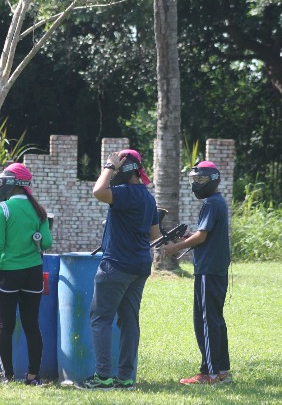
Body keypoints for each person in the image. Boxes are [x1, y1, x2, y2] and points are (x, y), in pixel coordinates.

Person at [80, 150, 160, 390]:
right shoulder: (148, 197)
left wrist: (108, 165)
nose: (114, 170)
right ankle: (125, 377)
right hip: (140, 267)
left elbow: (98, 192)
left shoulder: (126, 193)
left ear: (126, 169)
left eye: (118, 166)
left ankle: (103, 376)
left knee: (101, 318)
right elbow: (155, 236)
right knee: (129, 321)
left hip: (116, 266)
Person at [162, 161, 232, 385]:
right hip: (216, 269)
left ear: (213, 181)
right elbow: (204, 235)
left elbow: (201, 237)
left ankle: (210, 374)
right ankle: (221, 371)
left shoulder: (211, 203)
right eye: (194, 180)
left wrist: (174, 248)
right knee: (215, 320)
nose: (196, 185)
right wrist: (189, 237)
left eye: (200, 180)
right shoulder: (217, 202)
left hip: (209, 270)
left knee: (206, 321)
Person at [0, 163, 52, 386]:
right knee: (32, 326)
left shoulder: (3, 209)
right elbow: (48, 243)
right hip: (33, 273)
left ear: (13, 184)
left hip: (8, 275)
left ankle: (8, 377)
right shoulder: (38, 210)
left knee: (5, 326)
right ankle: (33, 376)